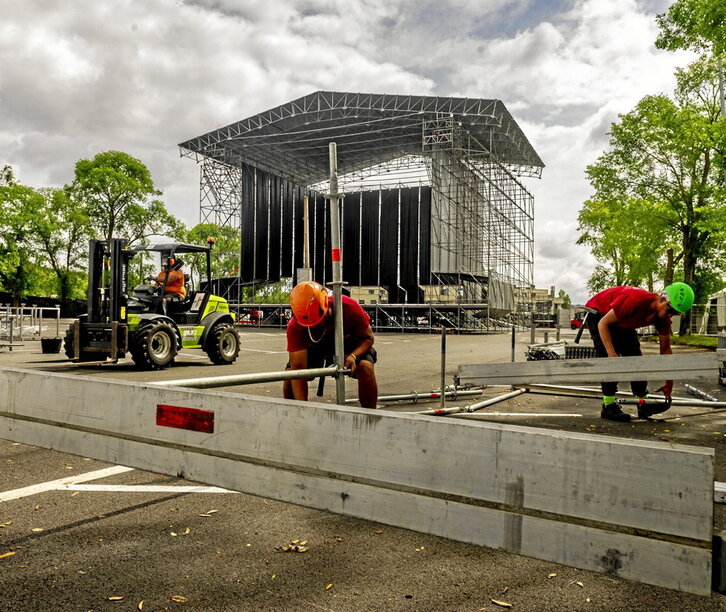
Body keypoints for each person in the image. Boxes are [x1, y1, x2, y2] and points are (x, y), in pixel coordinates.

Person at [585, 282, 695, 422]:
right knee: (609, 358)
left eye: (676, 313)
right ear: (662, 300)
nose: (671, 316)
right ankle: (608, 405)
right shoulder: (635, 301)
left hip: (622, 320)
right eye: (671, 311)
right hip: (599, 314)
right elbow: (603, 324)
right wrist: (611, 353)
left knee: (636, 359)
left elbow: (666, 350)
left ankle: (643, 403)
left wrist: (669, 382)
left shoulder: (663, 318)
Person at [283, 281, 378, 408]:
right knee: (290, 375)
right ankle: (294, 414)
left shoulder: (348, 307)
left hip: (349, 345)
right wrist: (303, 410)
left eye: (319, 322)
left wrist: (353, 356)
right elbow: (298, 370)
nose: (316, 325)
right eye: (311, 325)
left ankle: (370, 416)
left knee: (366, 367)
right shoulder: (295, 326)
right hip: (315, 348)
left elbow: (368, 338)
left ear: (326, 304)